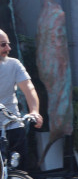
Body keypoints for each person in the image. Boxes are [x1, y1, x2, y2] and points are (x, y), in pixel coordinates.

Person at [0, 30, 43, 160]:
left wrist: (34, 111)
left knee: (19, 170)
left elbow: (29, 88)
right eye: (3, 44)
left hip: (12, 124)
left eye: (8, 43)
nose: (8, 48)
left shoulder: (14, 64)